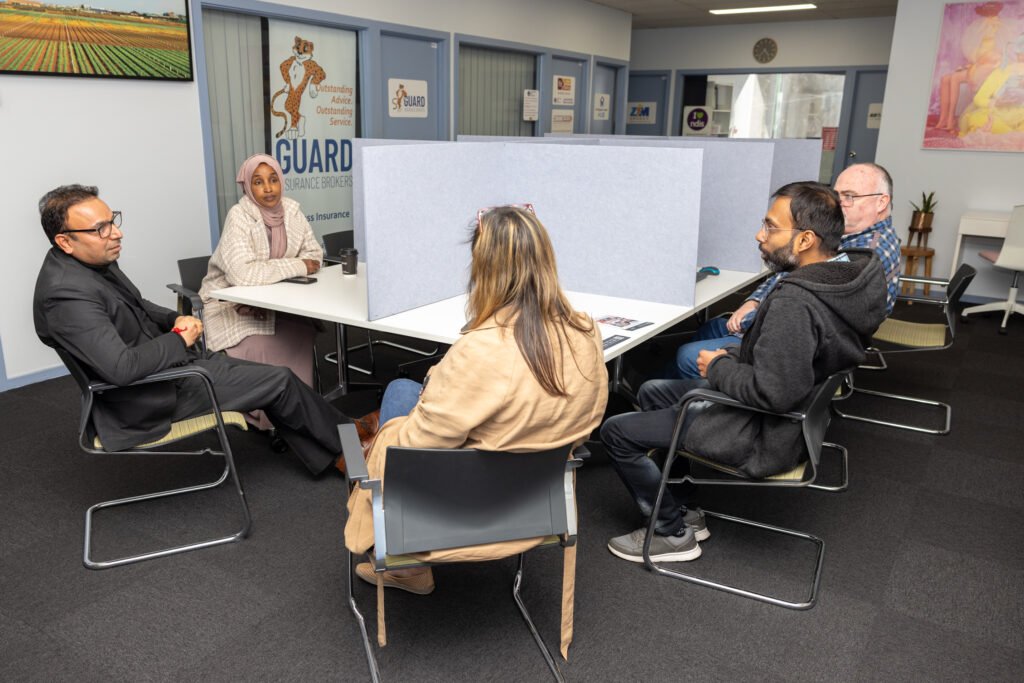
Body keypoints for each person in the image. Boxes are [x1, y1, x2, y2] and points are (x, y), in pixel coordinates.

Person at [601, 182, 886, 563]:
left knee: (617, 432)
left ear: (805, 240)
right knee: (653, 390)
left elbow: (774, 393)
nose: (759, 235)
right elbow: (791, 358)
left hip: (765, 431)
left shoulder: (796, 303)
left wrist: (718, 366)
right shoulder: (849, 277)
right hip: (791, 414)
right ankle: (683, 507)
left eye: (770, 227)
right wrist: (736, 355)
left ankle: (670, 533)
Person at [344, 205, 609, 594]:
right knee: (403, 390)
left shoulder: (482, 350)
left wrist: (429, 396)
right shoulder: (585, 332)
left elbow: (416, 450)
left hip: (468, 509)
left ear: (485, 269)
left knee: (399, 399)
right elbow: (584, 423)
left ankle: (407, 567)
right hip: (535, 504)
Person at [33, 184, 348, 476]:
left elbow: (138, 305)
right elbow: (122, 368)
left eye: (112, 220)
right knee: (279, 380)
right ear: (65, 241)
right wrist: (179, 339)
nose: (117, 233)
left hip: (170, 367)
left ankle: (340, 452)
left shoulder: (92, 262)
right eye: (101, 228)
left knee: (276, 380)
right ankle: (353, 444)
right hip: (147, 398)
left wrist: (175, 318)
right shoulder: (65, 295)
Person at [670, 162, 899, 379]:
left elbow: (798, 313)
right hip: (788, 329)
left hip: (796, 347)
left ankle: (686, 398)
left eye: (849, 196)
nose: (838, 204)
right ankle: (669, 390)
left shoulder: (865, 255)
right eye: (836, 195)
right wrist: (754, 300)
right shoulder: (853, 242)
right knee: (711, 327)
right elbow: (791, 271)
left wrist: (749, 320)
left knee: (688, 356)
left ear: (881, 202)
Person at [198, 154, 323, 430]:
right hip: (231, 305)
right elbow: (242, 275)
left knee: (301, 330)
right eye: (258, 182)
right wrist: (297, 265)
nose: (268, 188)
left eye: (273, 179)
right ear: (247, 186)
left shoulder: (292, 211)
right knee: (269, 342)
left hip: (278, 300)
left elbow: (315, 255)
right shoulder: (239, 216)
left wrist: (275, 269)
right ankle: (269, 417)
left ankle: (299, 411)